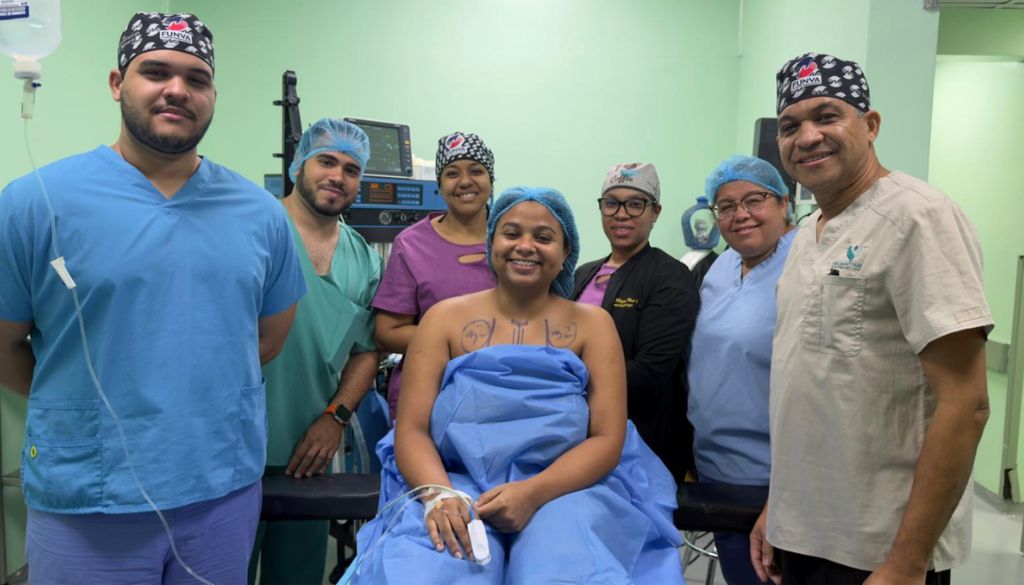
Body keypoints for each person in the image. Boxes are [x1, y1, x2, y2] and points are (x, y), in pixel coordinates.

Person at [0, 12, 306, 585]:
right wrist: (86, 401)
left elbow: (266, 340)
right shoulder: (33, 203)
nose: (177, 89)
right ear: (118, 83)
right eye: (156, 72)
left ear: (213, 95)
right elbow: (4, 346)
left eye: (197, 78)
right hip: (88, 499)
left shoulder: (261, 215)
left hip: (220, 493)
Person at [341, 187, 684, 584]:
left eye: (543, 237)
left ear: (565, 253)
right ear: (491, 245)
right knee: (435, 566)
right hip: (456, 481)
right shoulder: (442, 319)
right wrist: (439, 495)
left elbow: (607, 438)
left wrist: (534, 493)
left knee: (560, 567)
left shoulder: (594, 326)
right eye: (511, 233)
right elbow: (413, 428)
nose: (526, 246)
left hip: (566, 488)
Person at [750, 52, 994, 585]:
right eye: (790, 126)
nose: (807, 137)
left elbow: (966, 404)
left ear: (871, 125)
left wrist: (906, 563)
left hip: (879, 548)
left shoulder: (919, 218)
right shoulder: (807, 234)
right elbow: (808, 391)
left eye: (827, 116)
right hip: (804, 531)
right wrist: (779, 507)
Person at [248, 119, 383, 585]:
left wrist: (336, 417)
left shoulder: (364, 258)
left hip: (307, 455)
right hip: (232, 447)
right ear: (297, 166)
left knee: (297, 577)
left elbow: (367, 350)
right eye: (326, 161)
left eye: (351, 169)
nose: (337, 176)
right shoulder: (253, 229)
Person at [686, 155, 796, 585]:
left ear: (784, 202)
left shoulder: (804, 264)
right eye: (726, 206)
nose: (740, 215)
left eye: (754, 200)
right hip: (717, 466)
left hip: (776, 478)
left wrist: (785, 493)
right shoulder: (722, 265)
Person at [571, 162, 699, 482]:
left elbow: (650, 370)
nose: (622, 214)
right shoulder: (583, 273)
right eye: (611, 203)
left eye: (635, 204)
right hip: (577, 430)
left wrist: (564, 378)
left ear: (655, 211)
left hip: (642, 439)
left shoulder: (670, 277)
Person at [372, 132, 497, 422]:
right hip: (426, 395)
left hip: (497, 393)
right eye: (452, 173)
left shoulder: (512, 238)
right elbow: (387, 332)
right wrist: (463, 340)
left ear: (491, 181)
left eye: (476, 171)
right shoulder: (412, 245)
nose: (465, 181)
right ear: (439, 185)